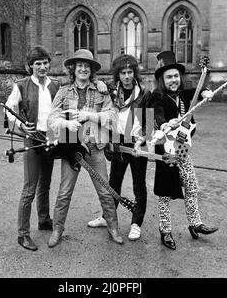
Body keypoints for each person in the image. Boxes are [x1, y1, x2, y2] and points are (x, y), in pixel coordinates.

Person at [46, 49, 123, 247]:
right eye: (79, 65)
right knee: (64, 192)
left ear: (91, 70)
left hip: (95, 147)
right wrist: (65, 125)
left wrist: (90, 115)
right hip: (71, 150)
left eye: (86, 66)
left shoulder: (101, 91)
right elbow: (51, 119)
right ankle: (57, 230)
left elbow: (113, 118)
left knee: (105, 190)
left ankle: (113, 227)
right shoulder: (63, 92)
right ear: (73, 69)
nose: (83, 69)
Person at [147, 50, 219, 250]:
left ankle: (195, 224)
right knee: (164, 193)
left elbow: (199, 90)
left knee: (191, 186)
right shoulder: (157, 96)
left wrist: (206, 91)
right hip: (166, 150)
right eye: (169, 77)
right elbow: (157, 114)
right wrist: (163, 125)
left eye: (176, 76)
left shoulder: (186, 94)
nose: (173, 80)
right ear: (162, 79)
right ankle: (165, 230)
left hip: (182, 148)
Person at [87, 54, 150, 241]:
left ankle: (136, 223)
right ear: (118, 75)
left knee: (139, 185)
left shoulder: (144, 93)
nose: (127, 76)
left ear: (135, 73)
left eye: (130, 72)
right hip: (117, 141)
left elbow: (149, 123)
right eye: (123, 73)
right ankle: (108, 217)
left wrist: (143, 139)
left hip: (137, 142)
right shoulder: (113, 92)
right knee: (114, 182)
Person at [5, 46, 59, 251]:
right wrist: (20, 124)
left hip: (51, 137)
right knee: (29, 188)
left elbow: (62, 109)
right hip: (31, 138)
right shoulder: (21, 85)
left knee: (45, 183)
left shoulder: (56, 85)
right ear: (31, 66)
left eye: (45, 63)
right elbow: (8, 108)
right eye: (38, 64)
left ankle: (44, 219)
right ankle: (23, 234)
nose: (42, 67)